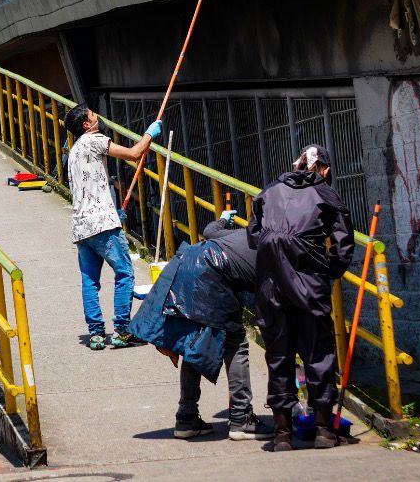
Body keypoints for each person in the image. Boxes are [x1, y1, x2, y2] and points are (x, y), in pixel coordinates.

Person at [128, 212, 274, 441]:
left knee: (193, 345)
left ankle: (186, 418)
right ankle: (241, 418)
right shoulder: (275, 251)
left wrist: (224, 219)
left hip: (189, 262)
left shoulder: (242, 233)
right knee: (236, 343)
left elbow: (209, 231)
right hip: (211, 275)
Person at [248, 144, 355, 451]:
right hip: (310, 288)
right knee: (319, 354)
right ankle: (323, 430)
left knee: (279, 356)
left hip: (271, 288)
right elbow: (343, 244)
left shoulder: (268, 192)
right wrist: (326, 270)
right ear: (325, 169)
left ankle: (282, 435)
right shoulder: (325, 194)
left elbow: (254, 235)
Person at [63, 104, 162, 350]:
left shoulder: (73, 151)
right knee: (125, 273)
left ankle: (96, 334)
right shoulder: (95, 139)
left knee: (89, 281)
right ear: (87, 124)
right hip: (103, 225)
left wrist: (112, 210)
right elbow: (134, 154)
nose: (97, 117)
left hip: (82, 226)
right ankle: (122, 331)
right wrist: (150, 134)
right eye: (93, 115)